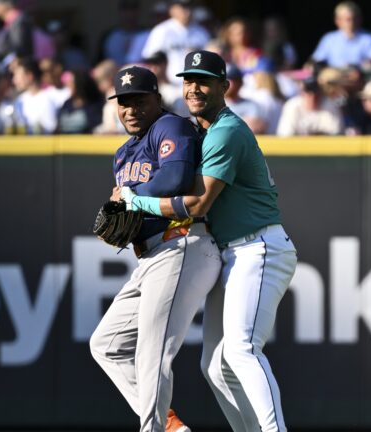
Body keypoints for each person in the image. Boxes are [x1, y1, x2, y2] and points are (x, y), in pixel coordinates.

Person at [120, 50, 298, 432]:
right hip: (232, 251)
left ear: (225, 87)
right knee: (214, 365)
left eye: (204, 80)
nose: (194, 88)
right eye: (188, 80)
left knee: (241, 349)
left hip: (259, 246)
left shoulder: (226, 131)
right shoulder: (196, 129)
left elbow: (198, 202)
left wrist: (137, 200)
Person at [89, 66, 220, 432]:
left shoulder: (169, 127)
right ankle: (171, 427)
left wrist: (131, 197)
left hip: (182, 243)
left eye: (139, 100)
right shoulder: (122, 153)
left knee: (152, 353)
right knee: (106, 344)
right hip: (152, 255)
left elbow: (177, 177)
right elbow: (135, 203)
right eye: (123, 102)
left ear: (156, 100)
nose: (130, 109)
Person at [141, 0, 210, 84]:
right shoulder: (162, 30)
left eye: (189, 6)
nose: (187, 11)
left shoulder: (201, 32)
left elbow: (209, 60)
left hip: (195, 84)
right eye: (183, 7)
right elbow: (150, 59)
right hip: (169, 86)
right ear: (172, 9)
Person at [310, 1, 371, 68]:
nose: (352, 23)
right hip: (333, 75)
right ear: (337, 20)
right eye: (348, 19)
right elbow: (316, 60)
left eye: (354, 19)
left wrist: (368, 63)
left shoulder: (368, 38)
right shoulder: (329, 39)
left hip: (359, 75)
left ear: (360, 19)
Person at [277, 73, 343, 136]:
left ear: (321, 93)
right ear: (302, 93)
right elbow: (285, 135)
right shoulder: (292, 106)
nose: (312, 97)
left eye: (316, 93)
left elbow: (336, 134)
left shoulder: (330, 106)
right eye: (308, 93)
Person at [11, 57, 57, 134]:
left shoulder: (47, 99)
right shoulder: (19, 100)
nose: (14, 80)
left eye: (17, 75)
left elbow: (50, 130)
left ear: (29, 76)